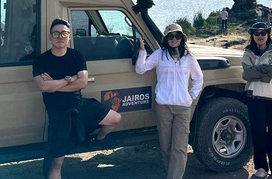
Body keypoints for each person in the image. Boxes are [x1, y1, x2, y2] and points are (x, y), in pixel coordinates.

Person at [34, 18, 122, 179]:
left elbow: (82, 83)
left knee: (115, 118)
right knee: (56, 164)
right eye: (56, 33)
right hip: (58, 114)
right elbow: (43, 87)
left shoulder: (76, 56)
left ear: (69, 37)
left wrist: (56, 84)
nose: (60, 36)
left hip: (79, 106)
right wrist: (68, 79)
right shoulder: (41, 60)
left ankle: (98, 139)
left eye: (64, 33)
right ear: (50, 37)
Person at [136, 23, 204, 179]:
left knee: (179, 148)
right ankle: (171, 173)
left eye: (177, 36)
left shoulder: (189, 57)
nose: (174, 39)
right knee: (166, 146)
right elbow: (141, 69)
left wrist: (192, 95)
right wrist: (142, 51)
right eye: (171, 36)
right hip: (164, 106)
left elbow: (199, 78)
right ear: (166, 38)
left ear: (182, 38)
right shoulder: (159, 54)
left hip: (183, 107)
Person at [242, 22, 272, 179]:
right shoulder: (248, 53)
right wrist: (267, 72)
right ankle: (261, 167)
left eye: (263, 33)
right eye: (257, 34)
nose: (260, 36)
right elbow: (247, 74)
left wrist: (260, 70)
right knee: (259, 134)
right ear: (252, 36)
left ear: (268, 35)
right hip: (255, 98)